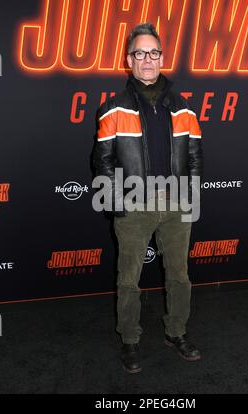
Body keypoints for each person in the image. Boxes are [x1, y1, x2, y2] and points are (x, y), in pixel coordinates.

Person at [92, 23, 203, 373]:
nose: (148, 60)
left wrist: (190, 198)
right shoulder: (112, 108)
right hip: (134, 205)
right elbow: (102, 161)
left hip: (175, 204)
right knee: (128, 280)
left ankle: (176, 332)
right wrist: (116, 205)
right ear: (129, 60)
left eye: (154, 52)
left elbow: (196, 156)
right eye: (140, 53)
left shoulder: (183, 107)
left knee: (180, 277)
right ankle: (130, 339)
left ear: (162, 57)